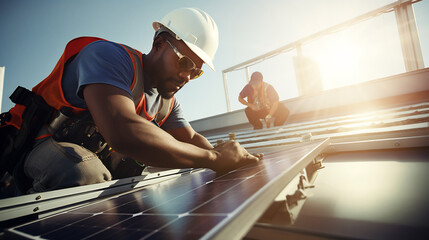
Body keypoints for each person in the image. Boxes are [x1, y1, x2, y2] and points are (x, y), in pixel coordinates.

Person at [0, 8, 260, 194]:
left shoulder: (166, 100)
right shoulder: (108, 58)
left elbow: (191, 140)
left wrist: (231, 157)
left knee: (132, 168)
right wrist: (213, 159)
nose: (187, 76)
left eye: (196, 71)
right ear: (159, 43)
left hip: (86, 153)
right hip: (38, 150)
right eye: (184, 62)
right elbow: (123, 131)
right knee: (83, 174)